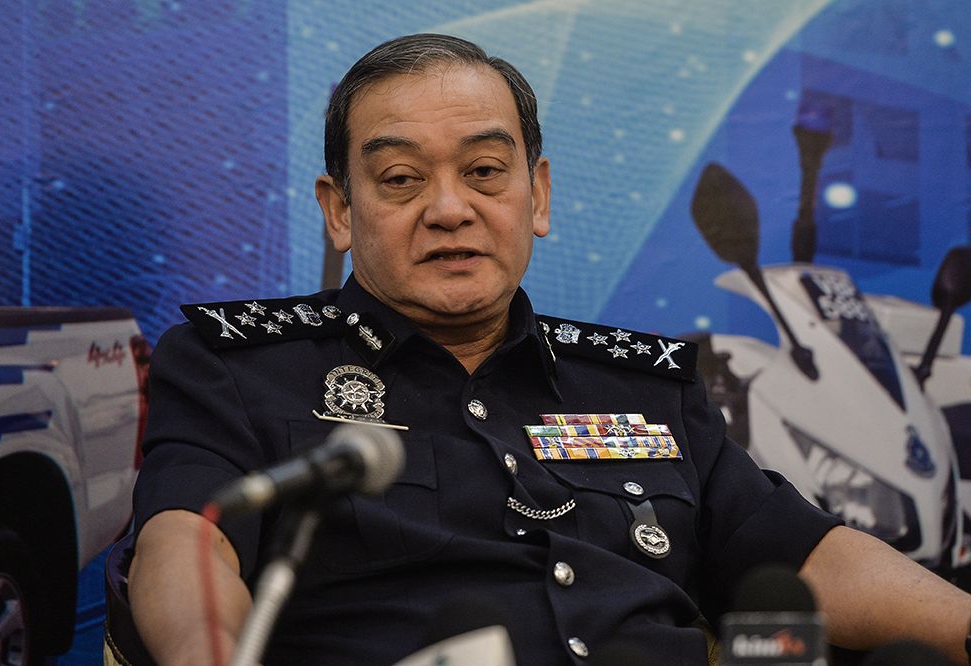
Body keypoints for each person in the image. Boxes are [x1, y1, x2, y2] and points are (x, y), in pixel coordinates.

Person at [127, 33, 971, 665]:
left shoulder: (643, 385)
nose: (450, 208)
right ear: (340, 211)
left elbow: (804, 553)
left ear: (538, 194)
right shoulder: (235, 367)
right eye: (400, 179)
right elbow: (190, 539)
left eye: (486, 171)